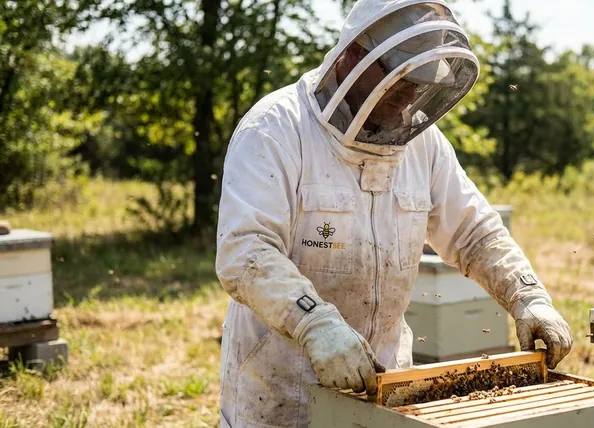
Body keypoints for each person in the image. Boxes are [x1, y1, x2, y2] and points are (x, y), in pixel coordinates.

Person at [215, 0, 573, 426]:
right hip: (281, 392)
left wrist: (527, 295)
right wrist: (314, 323)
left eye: (418, 85)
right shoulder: (275, 128)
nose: (408, 98)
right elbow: (246, 252)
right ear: (353, 58)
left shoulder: (424, 145)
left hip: (386, 386)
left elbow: (474, 231)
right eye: (398, 81)